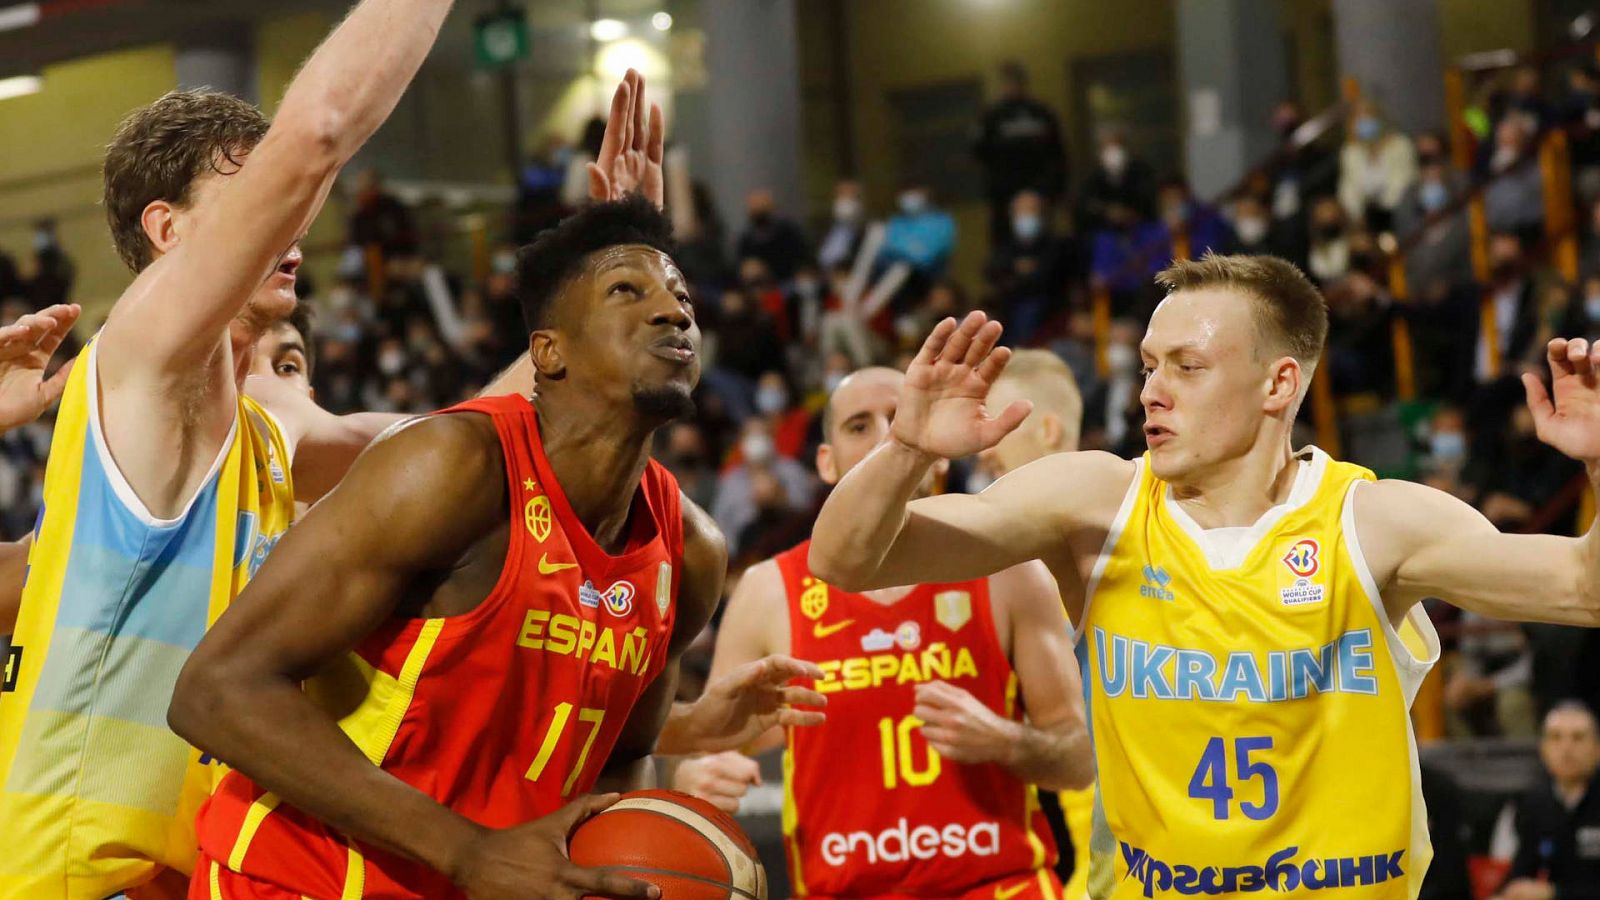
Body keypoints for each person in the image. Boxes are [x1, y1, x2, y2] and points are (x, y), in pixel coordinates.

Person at [810, 252, 1600, 897]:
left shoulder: (1375, 522)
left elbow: (1582, 588)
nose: (1152, 391)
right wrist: (907, 449)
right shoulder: (1095, 502)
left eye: (1187, 367)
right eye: (1150, 366)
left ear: (1278, 384)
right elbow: (846, 561)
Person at [170, 174, 826, 898]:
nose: (674, 312)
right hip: (302, 880)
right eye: (626, 293)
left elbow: (617, 763)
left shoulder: (690, 551)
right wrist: (468, 851)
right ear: (548, 352)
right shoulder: (450, 466)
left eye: (683, 300)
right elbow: (215, 691)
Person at [0, 3, 459, 895]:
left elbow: (460, 446)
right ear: (168, 232)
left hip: (189, 873)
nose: (291, 221)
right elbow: (318, 134)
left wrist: (586, 306)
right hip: (76, 877)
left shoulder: (263, 430)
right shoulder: (142, 354)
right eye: (253, 194)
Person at [675, 365, 1092, 898]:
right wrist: (693, 781)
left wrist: (1007, 741)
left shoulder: (1010, 572)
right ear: (825, 462)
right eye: (858, 426)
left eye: (901, 419)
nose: (885, 439)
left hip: (1000, 886)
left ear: (941, 448)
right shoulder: (767, 591)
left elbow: (1078, 760)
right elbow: (715, 746)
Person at [973, 350, 1101, 900]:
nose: (983, 453)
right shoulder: (1008, 565)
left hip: (1114, 855)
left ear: (1047, 429)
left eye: (999, 427)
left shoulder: (1130, 536)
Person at [1494, 701, 1600, 899]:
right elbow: (1522, 872)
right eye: (1556, 737)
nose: (1566, 748)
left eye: (1578, 738)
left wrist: (1555, 893)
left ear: (1597, 748)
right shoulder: (1535, 803)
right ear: (1543, 749)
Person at [973, 61, 1066, 240]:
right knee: (1004, 245)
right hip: (1003, 196)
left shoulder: (1041, 113)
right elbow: (979, 153)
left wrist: (1052, 190)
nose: (1011, 86)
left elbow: (1058, 153)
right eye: (1007, 82)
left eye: (1015, 81)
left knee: (1042, 243)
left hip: (1040, 193)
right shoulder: (992, 116)